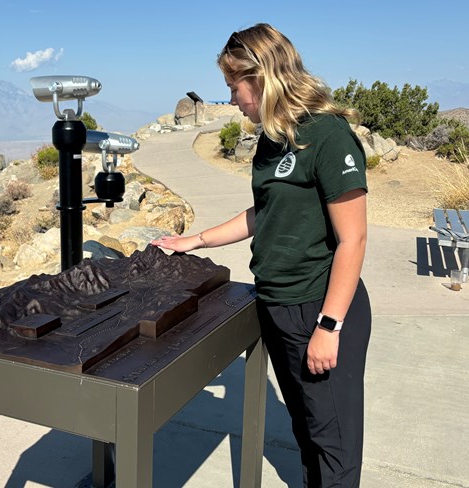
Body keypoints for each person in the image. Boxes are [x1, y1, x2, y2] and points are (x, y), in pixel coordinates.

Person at [152, 23, 372, 488]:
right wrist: (197, 241)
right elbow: (266, 210)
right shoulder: (273, 138)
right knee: (307, 432)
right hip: (277, 306)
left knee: (335, 447)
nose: (232, 99)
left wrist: (329, 327)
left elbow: (353, 239)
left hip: (319, 306)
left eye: (235, 87)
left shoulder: (328, 135)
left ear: (263, 77)